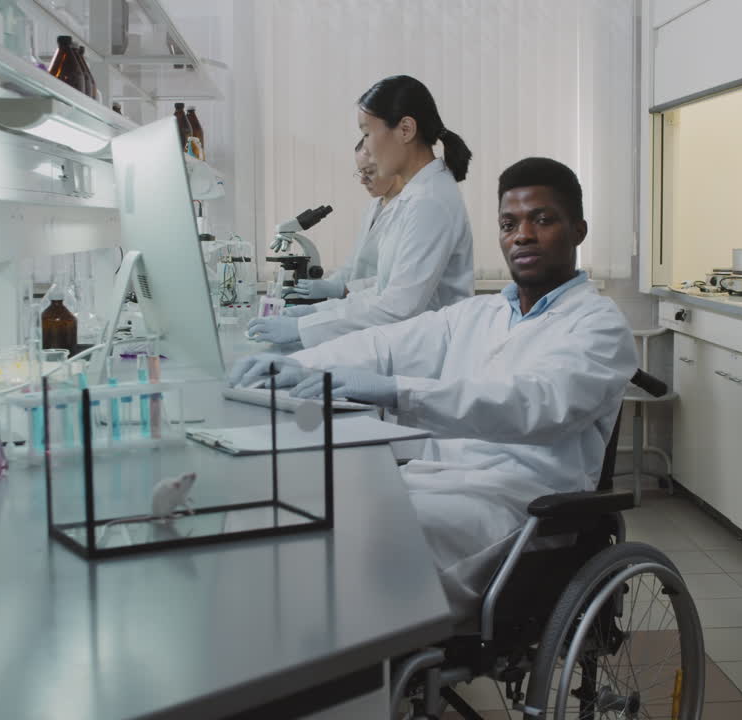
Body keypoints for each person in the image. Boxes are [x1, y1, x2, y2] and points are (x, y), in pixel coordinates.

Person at [228, 158, 638, 619]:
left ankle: (349, 670)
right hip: (432, 482)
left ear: (578, 230)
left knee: (350, 551)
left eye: (541, 220)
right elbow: (383, 345)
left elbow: (534, 404)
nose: (522, 234)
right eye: (509, 223)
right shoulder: (481, 314)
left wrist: (397, 391)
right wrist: (295, 365)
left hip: (520, 507)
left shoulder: (599, 326)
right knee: (297, 519)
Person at [247, 75, 475, 347]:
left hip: (426, 353)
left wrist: (302, 328)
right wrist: (315, 313)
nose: (365, 146)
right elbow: (382, 293)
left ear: (405, 129)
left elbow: (398, 309)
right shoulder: (416, 196)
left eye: (367, 132)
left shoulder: (430, 201)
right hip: (407, 344)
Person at [281, 139, 404, 307]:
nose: (362, 180)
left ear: (392, 166)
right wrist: (327, 285)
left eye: (369, 172)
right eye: (361, 172)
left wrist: (338, 289)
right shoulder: (374, 206)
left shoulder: (409, 209)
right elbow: (352, 265)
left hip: (383, 307)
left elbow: (396, 281)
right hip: (358, 304)